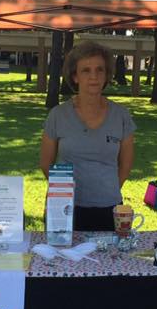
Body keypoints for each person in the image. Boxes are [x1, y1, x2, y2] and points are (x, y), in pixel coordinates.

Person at [39, 41, 136, 231]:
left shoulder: (121, 116)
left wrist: (104, 192)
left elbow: (125, 166)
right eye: (86, 70)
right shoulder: (58, 115)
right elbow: (45, 163)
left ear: (106, 75)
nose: (94, 76)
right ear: (75, 76)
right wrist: (63, 193)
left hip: (109, 210)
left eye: (100, 70)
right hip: (66, 210)